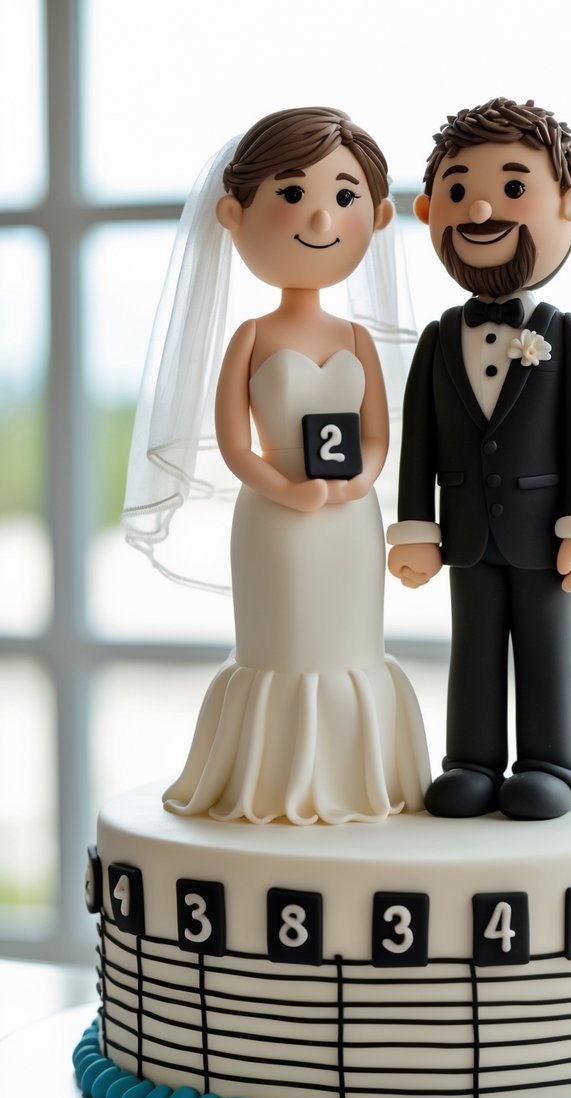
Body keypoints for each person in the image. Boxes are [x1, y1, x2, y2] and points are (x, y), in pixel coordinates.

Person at [129, 107, 430, 824]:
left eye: (345, 197)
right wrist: (284, 490)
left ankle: (357, 780)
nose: (321, 217)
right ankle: (270, 784)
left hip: (351, 517)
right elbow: (236, 446)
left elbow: (381, 433)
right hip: (277, 516)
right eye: (292, 195)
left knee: (349, 643)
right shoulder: (252, 335)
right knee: (287, 645)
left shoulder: (357, 336)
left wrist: (362, 478)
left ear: (376, 217)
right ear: (234, 214)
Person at [387, 98, 571, 822]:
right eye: (457, 190)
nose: (480, 205)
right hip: (466, 532)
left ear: (569, 205)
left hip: (543, 534)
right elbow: (415, 437)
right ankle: (472, 761)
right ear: (428, 211)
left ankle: (548, 762)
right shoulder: (436, 337)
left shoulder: (560, 332)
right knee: (472, 650)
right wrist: (414, 528)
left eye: (513, 187)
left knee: (544, 649)